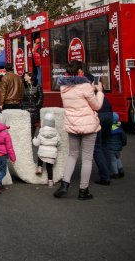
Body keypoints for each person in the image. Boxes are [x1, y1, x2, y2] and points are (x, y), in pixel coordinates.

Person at [53, 61, 104, 200]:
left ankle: (64, 185)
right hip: (88, 125)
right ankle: (83, 191)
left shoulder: (63, 87)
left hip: (72, 125)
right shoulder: (86, 86)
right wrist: (99, 92)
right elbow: (97, 106)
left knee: (72, 155)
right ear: (80, 71)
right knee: (87, 158)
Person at [0, 113, 17, 194]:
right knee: (3, 171)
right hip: (2, 155)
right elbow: (9, 147)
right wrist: (13, 158)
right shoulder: (5, 134)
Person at [33, 112, 60, 187]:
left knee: (40, 156)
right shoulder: (56, 132)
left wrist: (34, 139)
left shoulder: (41, 131)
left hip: (42, 152)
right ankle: (50, 181)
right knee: (49, 168)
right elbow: (58, 143)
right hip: (51, 154)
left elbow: (37, 143)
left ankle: (39, 168)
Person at [21, 72, 43, 137]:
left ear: (30, 77)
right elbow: (20, 97)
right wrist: (22, 105)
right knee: (26, 124)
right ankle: (27, 138)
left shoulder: (37, 86)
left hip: (34, 109)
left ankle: (32, 137)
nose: (24, 77)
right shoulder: (23, 86)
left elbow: (41, 96)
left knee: (33, 124)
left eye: (25, 76)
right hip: (25, 108)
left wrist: (37, 104)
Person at [108, 113, 127, 179]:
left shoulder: (109, 129)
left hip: (111, 148)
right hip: (118, 147)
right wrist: (123, 144)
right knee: (118, 158)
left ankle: (115, 173)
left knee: (113, 160)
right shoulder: (119, 128)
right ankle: (121, 171)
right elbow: (124, 138)